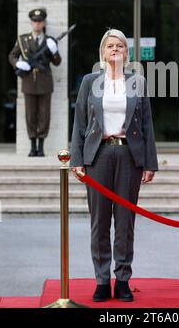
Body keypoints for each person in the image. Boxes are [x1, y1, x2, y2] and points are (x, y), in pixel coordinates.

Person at [70, 29, 158, 303]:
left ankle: (122, 280)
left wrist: (149, 163)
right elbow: (80, 123)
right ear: (103, 51)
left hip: (129, 157)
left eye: (120, 45)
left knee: (125, 222)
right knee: (99, 223)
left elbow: (146, 126)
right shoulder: (89, 81)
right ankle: (101, 280)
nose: (115, 49)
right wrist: (77, 160)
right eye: (110, 45)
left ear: (127, 52)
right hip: (98, 156)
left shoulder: (137, 82)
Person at [8, 8, 61, 156]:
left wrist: (54, 51)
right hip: (29, 82)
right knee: (30, 115)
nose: (37, 24)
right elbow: (12, 55)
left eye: (40, 21)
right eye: (35, 21)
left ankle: (41, 147)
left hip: (45, 82)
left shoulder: (49, 41)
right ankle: (32, 146)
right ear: (31, 23)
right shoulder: (23, 39)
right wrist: (17, 64)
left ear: (43, 23)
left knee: (44, 115)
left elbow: (57, 62)